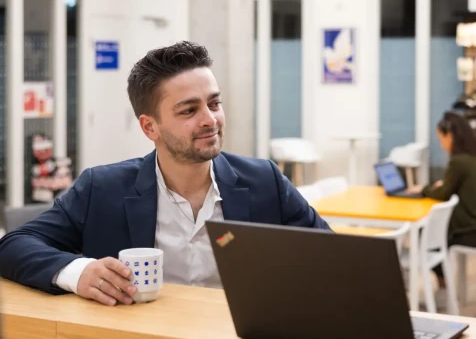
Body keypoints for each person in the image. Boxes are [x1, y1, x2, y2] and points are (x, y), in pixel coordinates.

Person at [0, 41, 330, 306]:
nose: (210, 120)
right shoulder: (102, 189)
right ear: (149, 127)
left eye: (214, 104)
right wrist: (80, 272)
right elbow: (13, 245)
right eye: (189, 110)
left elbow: (333, 257)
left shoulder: (264, 181)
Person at [407, 111, 476, 285]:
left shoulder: (459, 161)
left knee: (428, 233)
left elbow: (443, 193)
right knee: (437, 230)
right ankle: (444, 282)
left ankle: (442, 281)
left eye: (441, 138)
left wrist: (422, 189)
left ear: (450, 135)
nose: (441, 144)